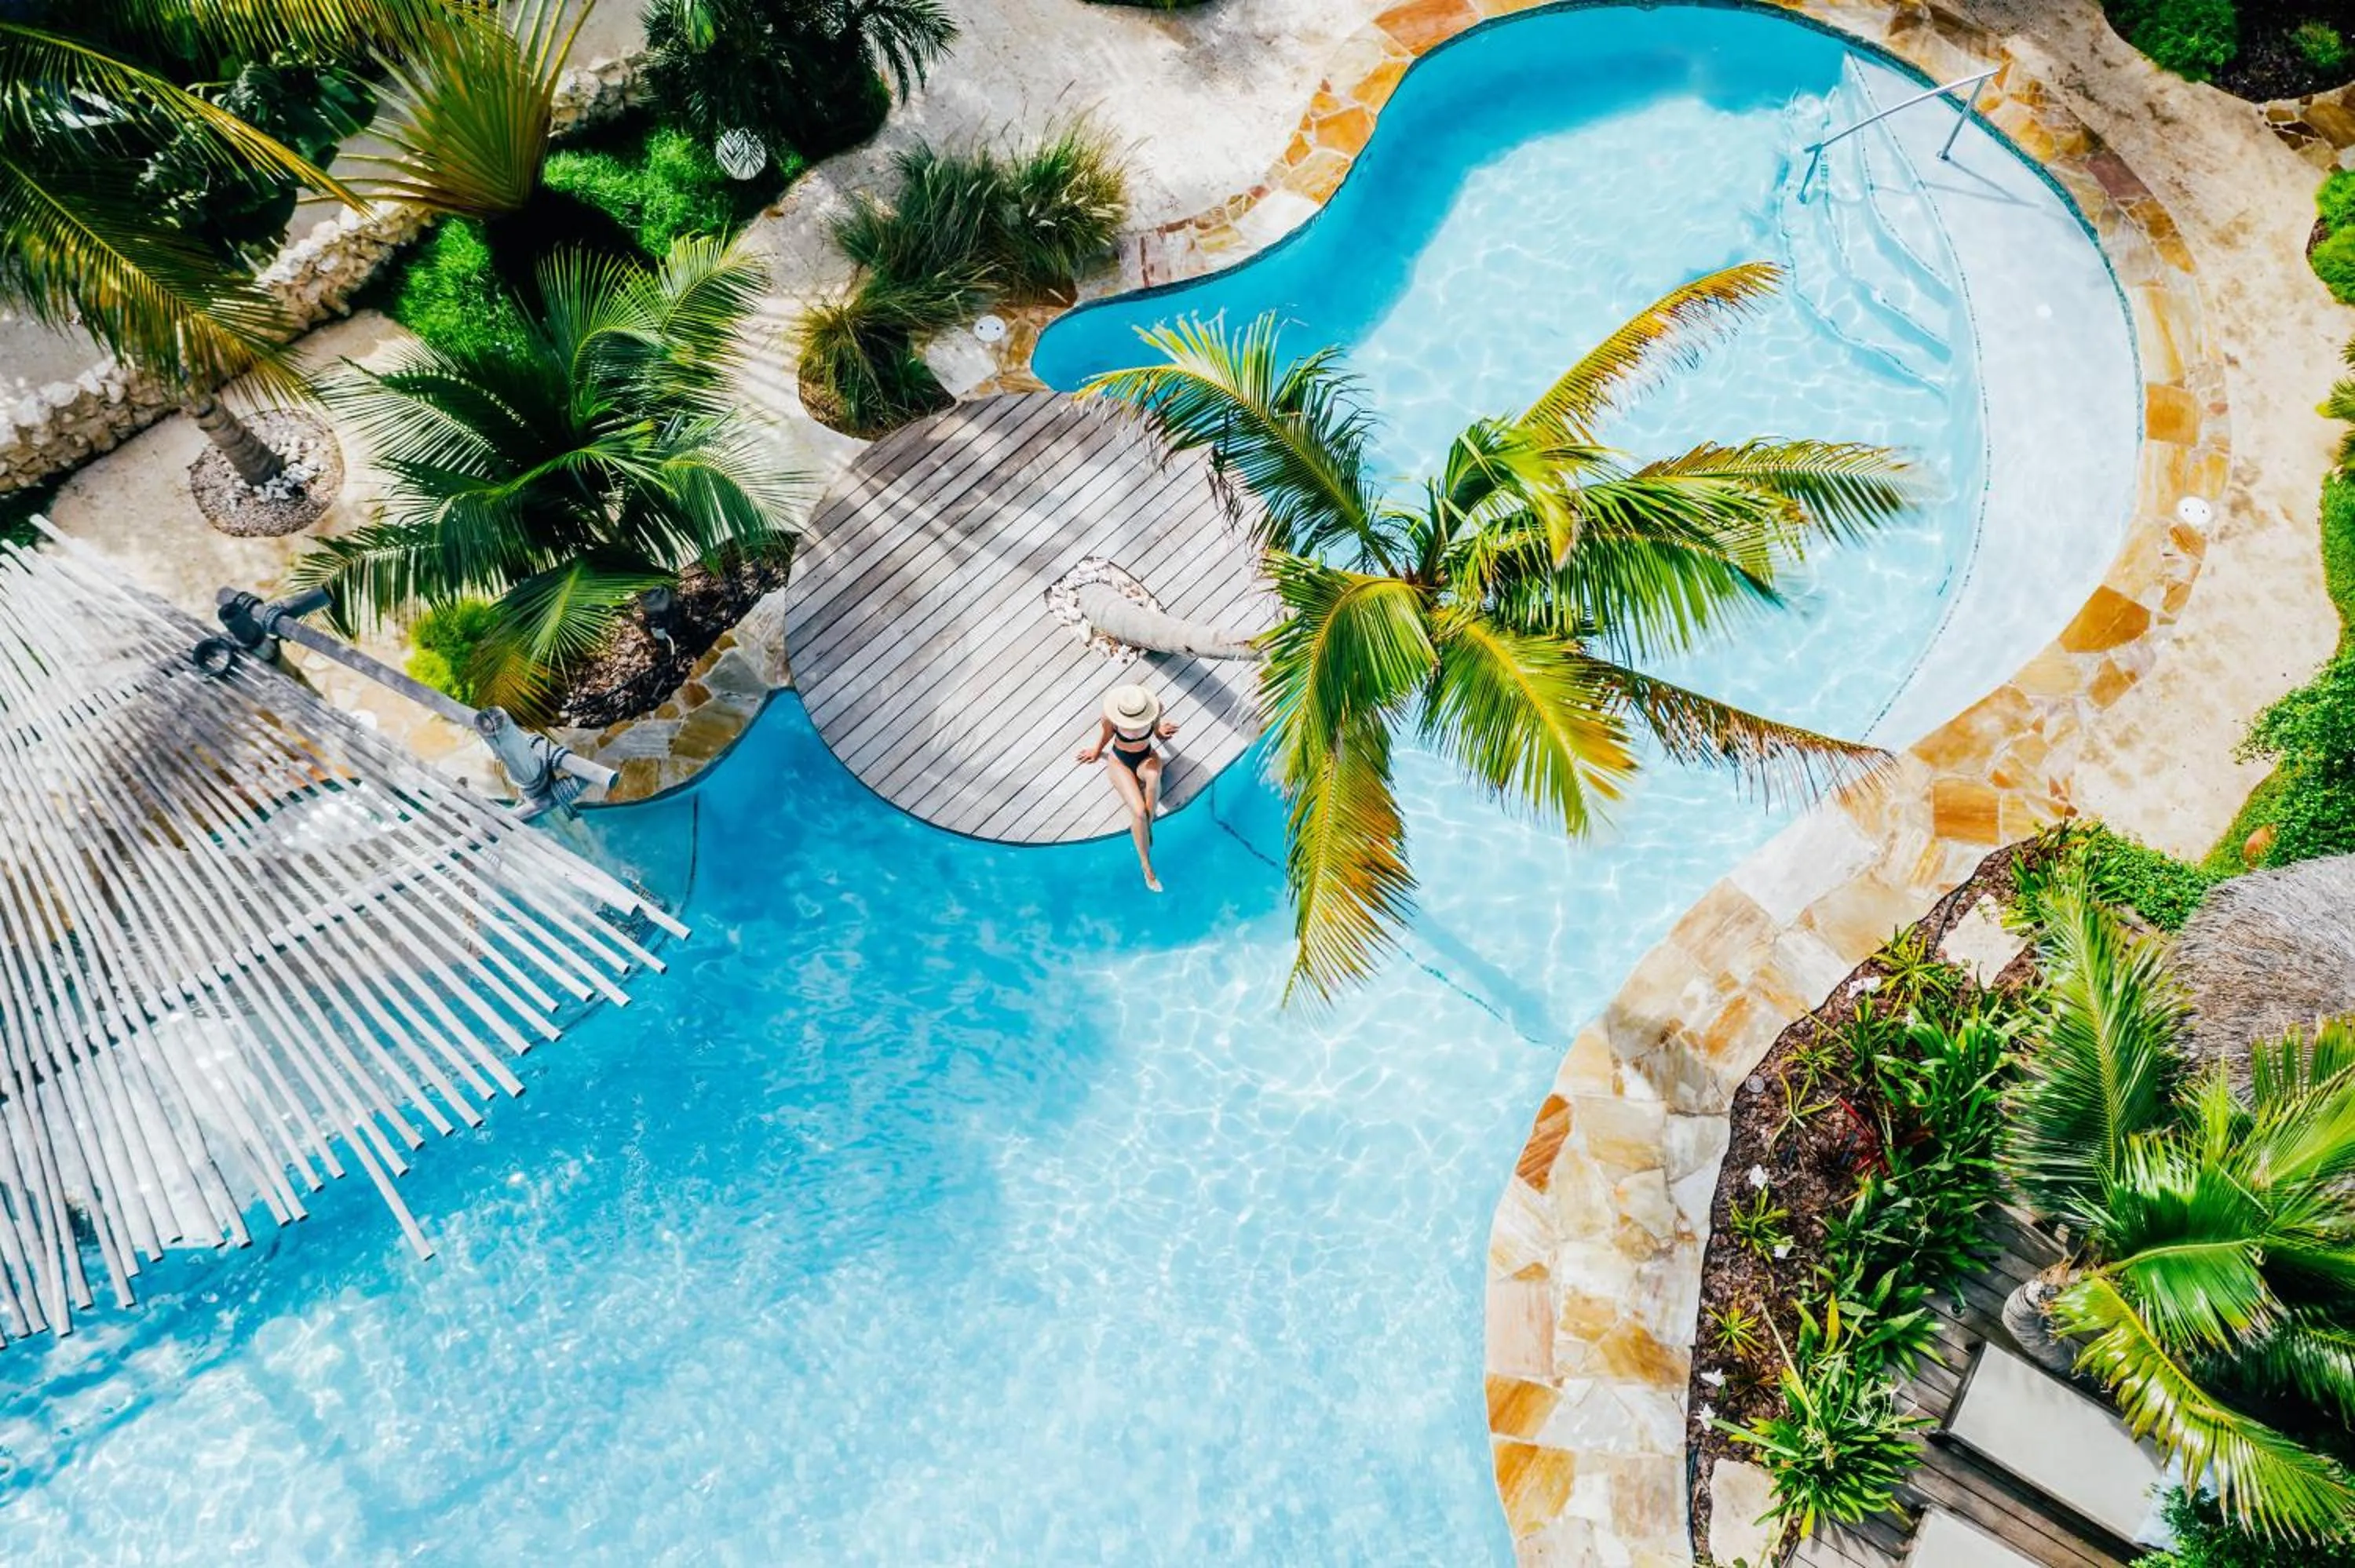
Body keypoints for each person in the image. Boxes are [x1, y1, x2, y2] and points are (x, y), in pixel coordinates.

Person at [1076, 683, 1179, 892]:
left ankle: (1148, 827)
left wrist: (1160, 732)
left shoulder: (1155, 708)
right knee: (1139, 812)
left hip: (1146, 757)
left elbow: (1156, 727)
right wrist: (1096, 752)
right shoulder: (1110, 718)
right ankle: (1146, 866)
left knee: (1153, 777)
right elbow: (1106, 735)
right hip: (1120, 762)